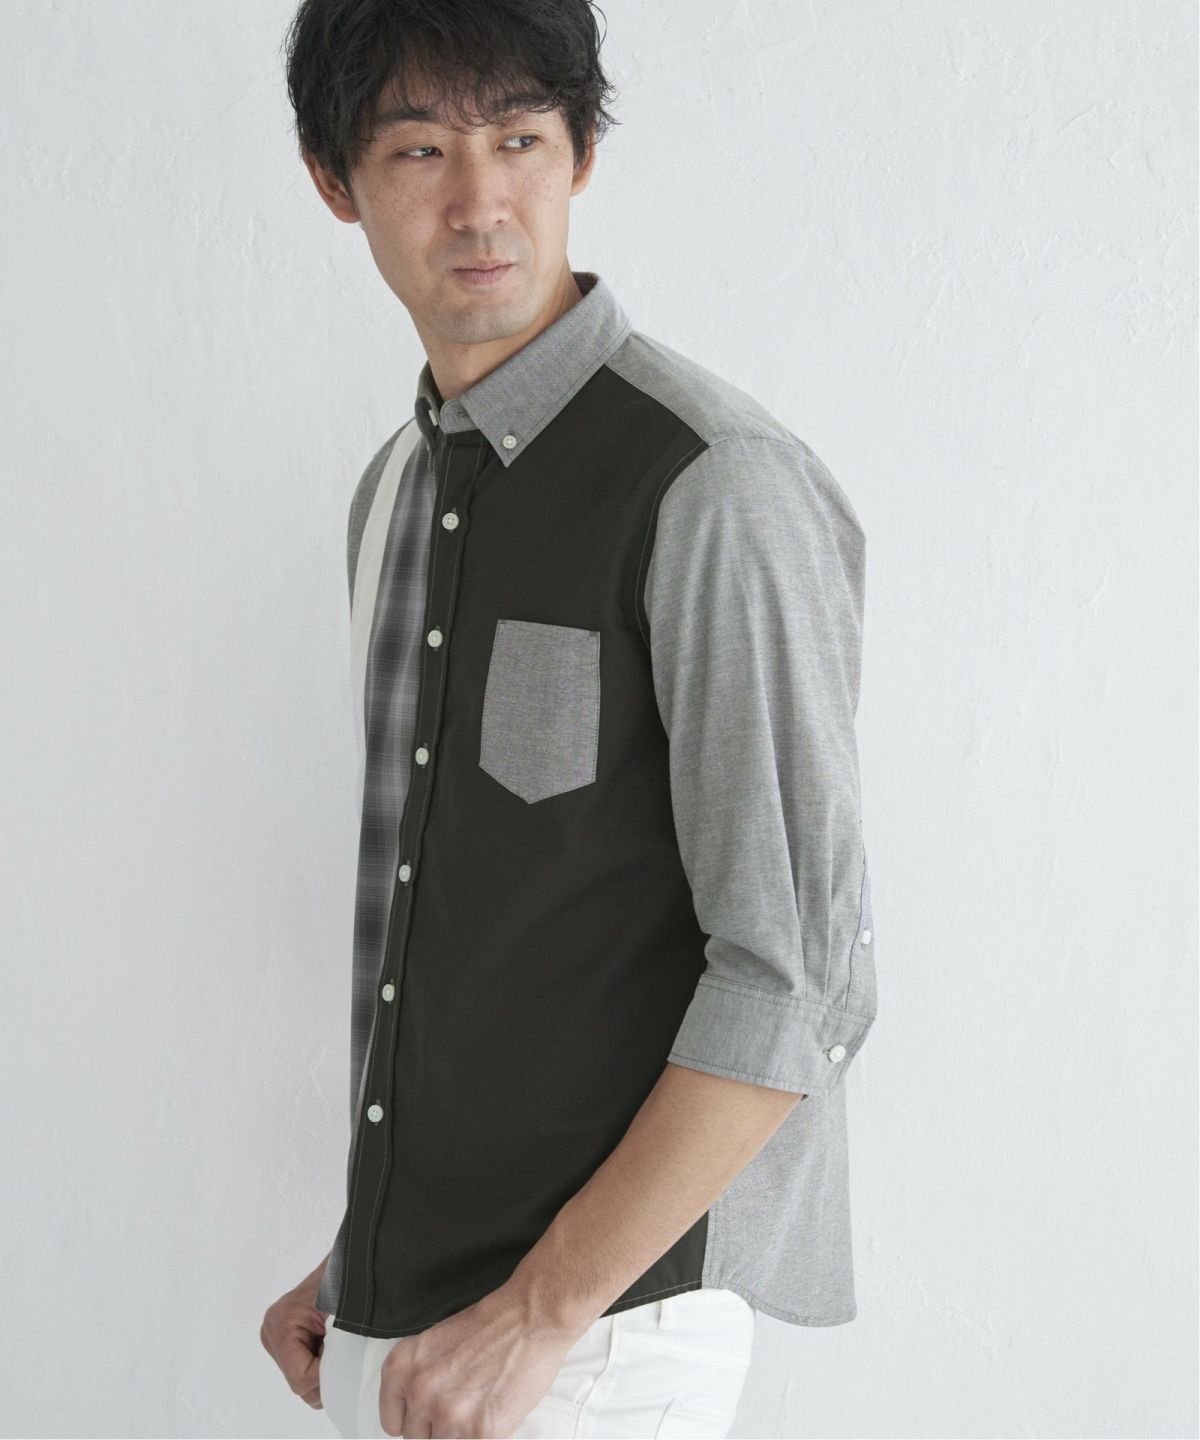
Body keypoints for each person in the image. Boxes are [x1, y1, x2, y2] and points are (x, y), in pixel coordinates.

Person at [259, 3, 879, 1436]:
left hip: (596, 1338)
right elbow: (470, 927)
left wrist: (542, 1310)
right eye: (420, 149)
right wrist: (369, 1249)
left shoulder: (713, 483)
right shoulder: (392, 494)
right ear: (336, 181)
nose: (480, 202)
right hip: (409, 1320)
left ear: (581, 155)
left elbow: (798, 976)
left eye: (522, 140)